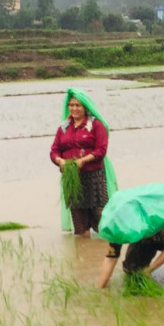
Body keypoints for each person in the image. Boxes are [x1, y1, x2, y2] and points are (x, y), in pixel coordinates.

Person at [96, 183, 164, 288]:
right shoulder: (118, 223)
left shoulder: (158, 216)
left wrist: (150, 269)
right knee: (132, 269)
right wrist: (100, 289)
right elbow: (111, 257)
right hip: (148, 229)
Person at [50, 87, 117, 235]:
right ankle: (83, 241)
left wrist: (83, 161)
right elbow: (54, 150)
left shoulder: (96, 125)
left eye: (78, 105)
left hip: (94, 175)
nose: (74, 108)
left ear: (85, 107)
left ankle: (102, 248)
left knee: (99, 213)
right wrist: (60, 161)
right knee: (79, 218)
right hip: (72, 178)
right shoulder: (63, 128)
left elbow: (101, 150)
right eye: (71, 105)